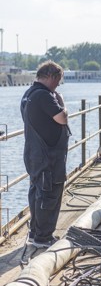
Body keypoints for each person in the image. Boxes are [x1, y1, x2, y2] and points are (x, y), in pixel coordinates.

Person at [20, 60, 70, 248]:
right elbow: (62, 118)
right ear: (50, 76)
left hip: (34, 154)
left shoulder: (29, 94)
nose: (58, 84)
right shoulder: (44, 96)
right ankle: (43, 237)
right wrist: (62, 103)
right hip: (48, 157)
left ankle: (35, 233)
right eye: (58, 79)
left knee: (37, 192)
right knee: (48, 194)